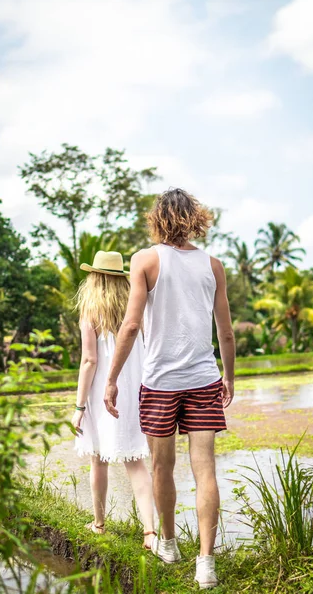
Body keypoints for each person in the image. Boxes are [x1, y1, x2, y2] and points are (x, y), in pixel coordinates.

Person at [104, 189, 235, 590]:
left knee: (162, 467)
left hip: (160, 382)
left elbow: (130, 325)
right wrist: (229, 376)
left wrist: (111, 379)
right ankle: (206, 565)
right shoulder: (212, 265)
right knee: (205, 469)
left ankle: (169, 542)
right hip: (203, 378)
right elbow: (225, 332)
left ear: (157, 219)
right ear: (196, 218)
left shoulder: (144, 260)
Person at [71, 250, 156, 549]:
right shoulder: (137, 308)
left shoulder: (90, 311)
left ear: (94, 277)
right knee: (136, 461)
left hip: (99, 392)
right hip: (133, 391)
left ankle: (99, 523)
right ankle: (150, 532)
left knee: (98, 459)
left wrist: (79, 407)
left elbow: (89, 361)